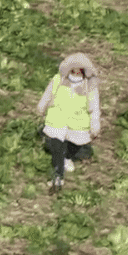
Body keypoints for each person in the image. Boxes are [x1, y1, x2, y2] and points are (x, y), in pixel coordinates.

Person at [35, 53, 101, 190]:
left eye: (79, 69)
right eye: (73, 69)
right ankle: (59, 175)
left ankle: (68, 157)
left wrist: (95, 124)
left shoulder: (89, 86)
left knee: (75, 144)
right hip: (57, 119)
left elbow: (94, 107)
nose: (76, 72)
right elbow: (48, 94)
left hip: (78, 122)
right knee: (57, 145)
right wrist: (41, 107)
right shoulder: (58, 80)